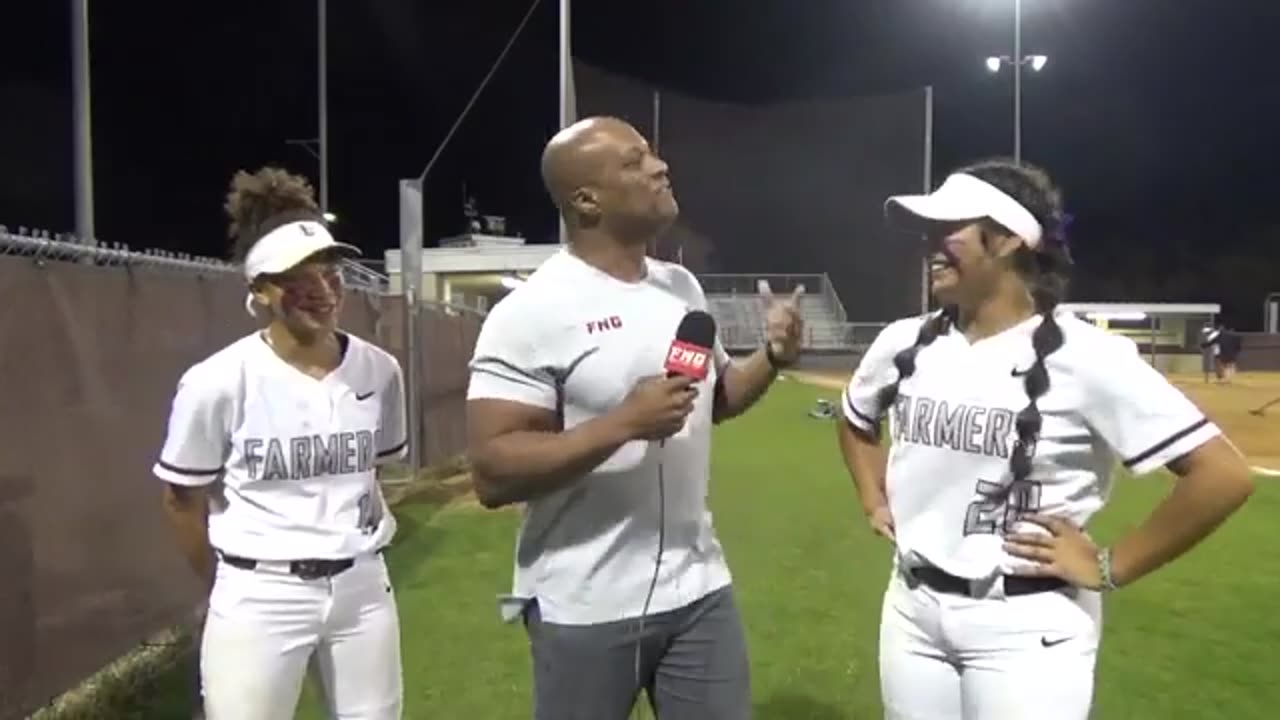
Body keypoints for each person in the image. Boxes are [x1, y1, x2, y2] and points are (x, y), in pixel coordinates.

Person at [836, 159, 1255, 720]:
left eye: (949, 230)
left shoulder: (1088, 357)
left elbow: (1222, 475)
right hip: (912, 613)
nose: (932, 246)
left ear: (1010, 239)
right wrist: (873, 498)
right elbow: (856, 419)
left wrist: (1111, 566)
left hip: (1027, 630)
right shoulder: (903, 342)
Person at [465, 116, 804, 719]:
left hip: (699, 586)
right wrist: (623, 423)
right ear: (585, 199)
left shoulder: (681, 288)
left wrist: (772, 357)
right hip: (585, 602)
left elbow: (716, 396)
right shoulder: (532, 311)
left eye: (652, 155)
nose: (659, 167)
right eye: (634, 161)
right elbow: (492, 470)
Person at [154, 167, 407, 720]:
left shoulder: (380, 370)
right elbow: (182, 497)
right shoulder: (218, 379)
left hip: (362, 586)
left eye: (329, 269)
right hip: (260, 589)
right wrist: (224, 586)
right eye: (295, 276)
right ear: (261, 290)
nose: (320, 289)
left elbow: (374, 474)